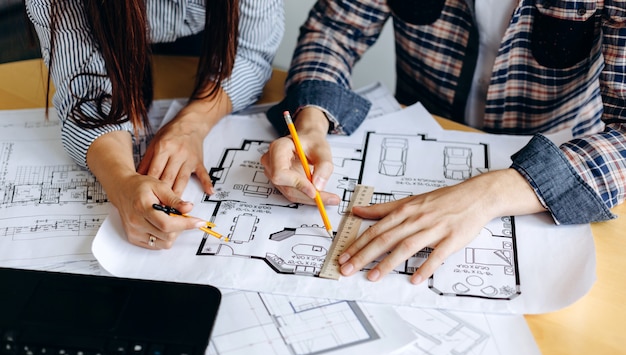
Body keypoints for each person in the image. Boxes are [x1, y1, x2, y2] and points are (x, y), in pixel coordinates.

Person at [261, 0, 626, 284]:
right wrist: (311, 119)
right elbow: (335, 30)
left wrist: (490, 193)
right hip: (419, 135)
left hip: (554, 169)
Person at [25, 0, 284, 249]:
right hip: (102, 32)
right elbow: (86, 93)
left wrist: (191, 124)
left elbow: (249, 53)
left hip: (204, 43)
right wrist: (122, 181)